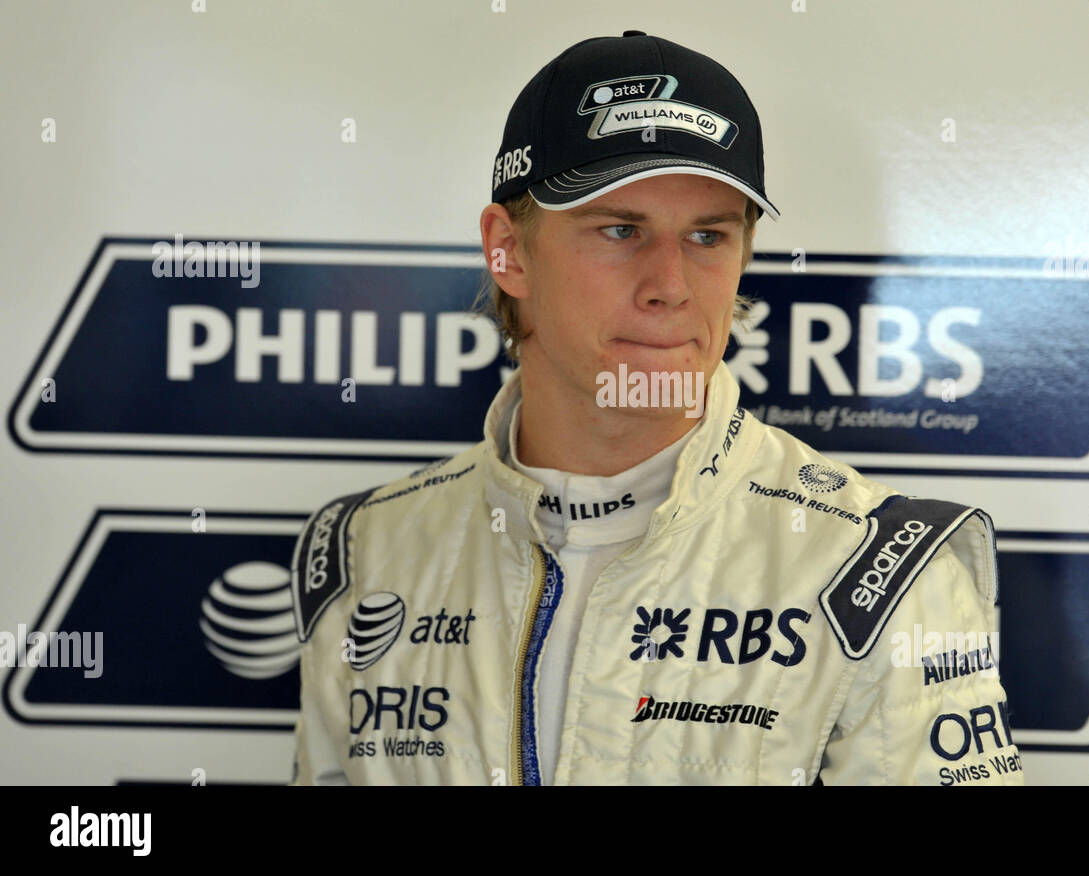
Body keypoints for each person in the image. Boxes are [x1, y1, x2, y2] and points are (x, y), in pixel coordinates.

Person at [289, 31, 1023, 786]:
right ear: (508, 249)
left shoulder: (877, 573)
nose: (670, 284)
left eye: (708, 236)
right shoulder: (368, 553)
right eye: (620, 230)